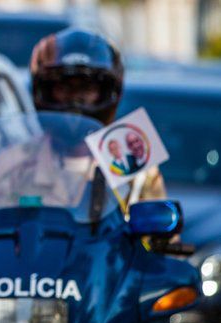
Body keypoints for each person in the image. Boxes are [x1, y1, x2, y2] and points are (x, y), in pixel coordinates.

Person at [29, 28, 166, 205]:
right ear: (46, 90)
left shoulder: (136, 166)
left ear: (106, 92)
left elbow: (159, 227)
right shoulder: (15, 162)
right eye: (64, 88)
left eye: (86, 89)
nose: (75, 98)